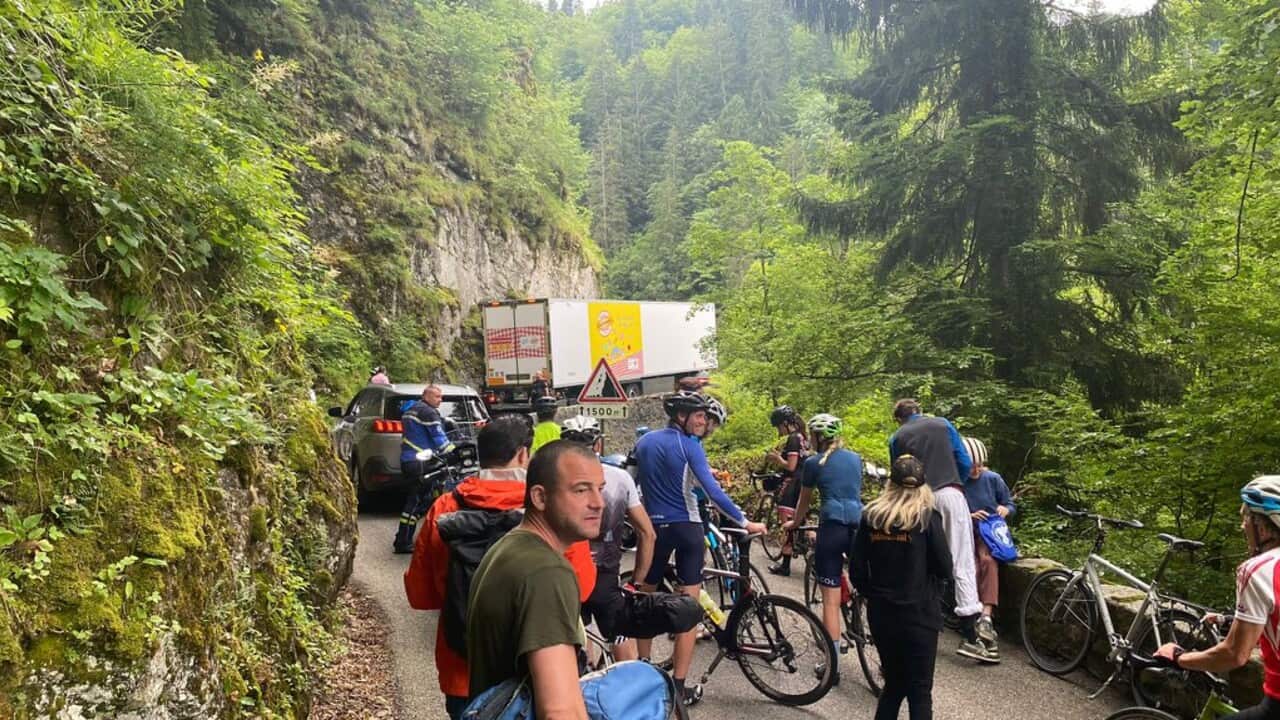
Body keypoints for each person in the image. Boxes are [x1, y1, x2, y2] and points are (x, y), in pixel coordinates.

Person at [403, 417, 598, 720]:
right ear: (523, 455)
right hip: (536, 678)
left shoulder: (444, 508)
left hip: (461, 672)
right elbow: (582, 588)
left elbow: (419, 595)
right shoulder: (552, 512)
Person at [634, 390, 767, 706]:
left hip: (653, 530)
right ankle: (679, 688)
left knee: (643, 601)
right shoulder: (689, 445)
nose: (703, 422)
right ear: (681, 416)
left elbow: (633, 485)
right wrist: (744, 520)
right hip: (687, 529)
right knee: (688, 610)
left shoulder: (645, 443)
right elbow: (711, 489)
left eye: (705, 418)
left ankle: (641, 672)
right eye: (699, 416)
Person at [466, 441, 605, 719]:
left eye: (600, 489)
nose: (598, 503)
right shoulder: (547, 572)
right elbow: (559, 710)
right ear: (540, 498)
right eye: (580, 490)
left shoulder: (509, 547)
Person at [1156, 475, 1280, 720]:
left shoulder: (1258, 570)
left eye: (1246, 518)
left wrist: (1179, 658)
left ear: (1263, 528)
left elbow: (1234, 654)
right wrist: (1230, 620)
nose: (1242, 525)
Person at [887, 398, 992, 662]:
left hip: (919, 499)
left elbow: (898, 473)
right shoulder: (943, 424)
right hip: (950, 493)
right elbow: (965, 462)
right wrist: (956, 482)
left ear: (899, 418)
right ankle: (971, 634)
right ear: (919, 411)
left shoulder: (897, 437)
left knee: (920, 559)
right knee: (961, 559)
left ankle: (920, 620)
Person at [852, 454, 952, 720]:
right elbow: (945, 567)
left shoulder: (871, 517)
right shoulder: (927, 518)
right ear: (922, 486)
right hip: (919, 613)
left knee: (894, 685)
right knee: (920, 690)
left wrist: (872, 593)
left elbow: (857, 570)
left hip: (882, 614)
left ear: (890, 484)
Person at [560, 415, 657, 661]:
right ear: (598, 446)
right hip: (606, 578)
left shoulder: (553, 482)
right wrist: (636, 582)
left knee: (578, 645)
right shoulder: (619, 478)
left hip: (565, 577)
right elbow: (647, 533)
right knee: (621, 640)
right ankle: (631, 694)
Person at [782, 413, 863, 682]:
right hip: (859, 526)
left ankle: (833, 667)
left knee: (829, 599)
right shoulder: (855, 458)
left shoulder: (814, 463)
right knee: (869, 585)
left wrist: (794, 522)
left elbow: (803, 503)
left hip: (833, 527)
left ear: (816, 437)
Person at [961, 436, 1014, 660]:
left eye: (979, 464)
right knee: (969, 566)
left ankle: (986, 615)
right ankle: (969, 614)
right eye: (972, 464)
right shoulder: (959, 481)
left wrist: (1005, 510)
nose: (976, 469)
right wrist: (970, 515)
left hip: (989, 533)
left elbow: (1010, 503)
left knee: (988, 561)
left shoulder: (993, 479)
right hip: (966, 531)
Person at [394, 385, 459, 553]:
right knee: (417, 502)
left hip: (410, 460)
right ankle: (403, 541)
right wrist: (456, 452)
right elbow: (439, 437)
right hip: (421, 463)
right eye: (437, 396)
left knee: (421, 499)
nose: (440, 399)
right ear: (426, 396)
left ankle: (405, 538)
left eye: (441, 396)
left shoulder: (412, 409)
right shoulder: (428, 412)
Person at [766, 405, 810, 577]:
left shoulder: (793, 438)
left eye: (778, 426)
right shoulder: (804, 437)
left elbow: (791, 466)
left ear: (785, 423)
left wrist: (777, 459)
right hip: (804, 482)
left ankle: (785, 565)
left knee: (788, 524)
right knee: (802, 518)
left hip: (792, 483)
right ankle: (808, 548)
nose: (779, 430)